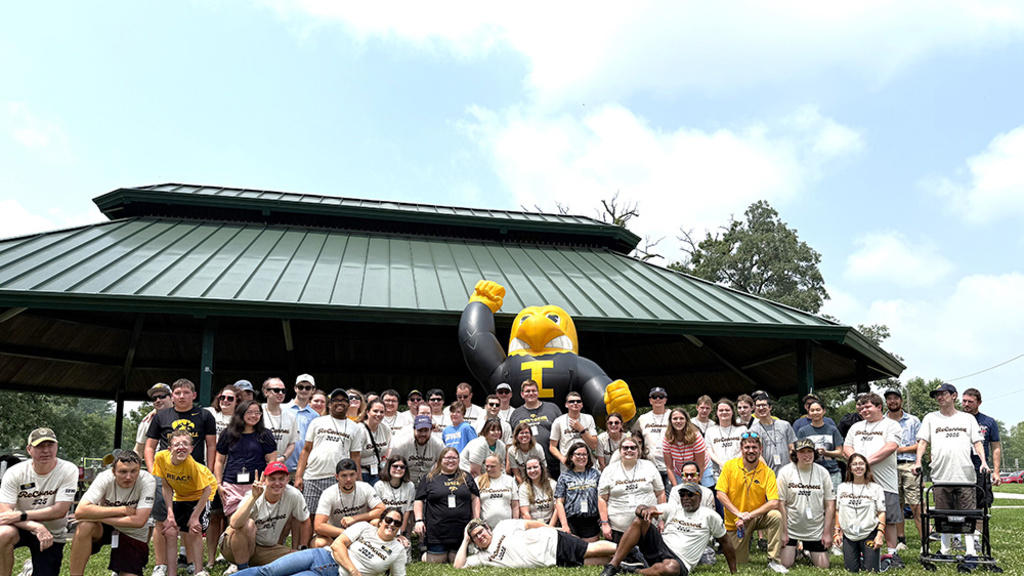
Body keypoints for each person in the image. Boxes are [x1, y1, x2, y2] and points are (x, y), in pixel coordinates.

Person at [145, 378, 217, 576]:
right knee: (163, 521)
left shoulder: (204, 415)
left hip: (194, 478)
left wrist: (208, 471)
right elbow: (150, 446)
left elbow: (211, 445)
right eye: (177, 393)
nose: (182, 396)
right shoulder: (161, 416)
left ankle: (193, 563)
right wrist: (154, 474)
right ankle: (162, 565)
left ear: (194, 395)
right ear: (172, 396)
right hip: (166, 476)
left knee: (190, 523)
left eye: (186, 393)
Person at [598, 483, 737, 576]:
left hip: (680, 561)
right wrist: (645, 510)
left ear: (699, 498)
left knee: (671, 568)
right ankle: (612, 566)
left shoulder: (710, 516)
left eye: (690, 494)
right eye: (682, 494)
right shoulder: (673, 508)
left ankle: (636, 570)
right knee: (639, 521)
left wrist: (734, 572)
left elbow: (726, 542)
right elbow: (644, 509)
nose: (685, 498)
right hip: (661, 547)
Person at [915, 382, 988, 559]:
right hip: (941, 474)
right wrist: (917, 461)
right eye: (936, 395)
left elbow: (977, 442)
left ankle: (970, 550)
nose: (939, 397)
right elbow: (923, 442)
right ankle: (945, 549)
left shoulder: (967, 419)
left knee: (968, 514)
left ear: (954, 396)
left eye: (943, 393)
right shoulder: (931, 418)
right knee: (942, 514)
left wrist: (984, 462)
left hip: (965, 474)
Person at [227, 506, 408, 576]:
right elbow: (337, 545)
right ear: (382, 521)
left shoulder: (397, 551)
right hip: (319, 555)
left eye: (397, 523)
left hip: (331, 574)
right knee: (268, 571)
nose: (391, 525)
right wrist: (354, 572)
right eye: (389, 520)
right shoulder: (364, 528)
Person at [0, 428, 79, 576]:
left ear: (57, 447)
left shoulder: (68, 470)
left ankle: (30, 570)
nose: (46, 451)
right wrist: (36, 526)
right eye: (40, 446)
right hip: (20, 528)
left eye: (50, 445)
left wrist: (19, 515)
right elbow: (5, 513)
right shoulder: (14, 473)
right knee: (3, 533)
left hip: (52, 533)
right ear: (29, 450)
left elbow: (59, 510)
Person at [69, 450, 156, 576]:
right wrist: (123, 510)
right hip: (103, 528)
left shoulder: (147, 480)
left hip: (132, 532)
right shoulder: (105, 478)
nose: (129, 477)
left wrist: (97, 517)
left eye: (134, 471)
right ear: (114, 472)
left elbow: (139, 521)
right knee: (85, 526)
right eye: (123, 472)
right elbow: (81, 510)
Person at [843, 393, 903, 561]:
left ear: (879, 407)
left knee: (889, 518)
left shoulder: (891, 425)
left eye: (868, 406)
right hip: (861, 483)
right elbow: (847, 446)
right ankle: (865, 551)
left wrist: (865, 462)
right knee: (862, 516)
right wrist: (856, 461)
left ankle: (892, 553)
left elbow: (891, 446)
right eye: (861, 408)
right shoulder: (856, 427)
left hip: (885, 482)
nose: (864, 410)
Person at [219, 462, 310, 570]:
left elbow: (305, 520)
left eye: (281, 479)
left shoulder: (294, 495)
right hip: (232, 546)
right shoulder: (253, 494)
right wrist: (253, 497)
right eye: (272, 479)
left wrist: (302, 548)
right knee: (248, 524)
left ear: (287, 479)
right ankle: (243, 570)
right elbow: (234, 523)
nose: (277, 483)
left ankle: (252, 565)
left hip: (265, 549)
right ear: (264, 480)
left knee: (297, 559)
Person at [715, 431, 785, 572]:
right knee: (740, 562)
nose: (751, 451)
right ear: (741, 449)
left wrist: (750, 515)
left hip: (756, 517)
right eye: (747, 448)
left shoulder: (768, 472)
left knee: (776, 516)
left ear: (761, 449)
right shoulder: (729, 466)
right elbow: (720, 494)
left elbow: (773, 502)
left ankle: (774, 560)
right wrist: (739, 514)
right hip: (736, 521)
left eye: (754, 447)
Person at [154, 429, 218, 576]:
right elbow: (166, 486)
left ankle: (198, 570)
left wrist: (195, 517)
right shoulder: (160, 458)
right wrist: (170, 513)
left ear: (191, 449)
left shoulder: (194, 467)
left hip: (202, 494)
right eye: (177, 444)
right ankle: (171, 572)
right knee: (170, 530)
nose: (181, 447)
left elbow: (207, 490)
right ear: (169, 449)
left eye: (185, 444)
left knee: (194, 529)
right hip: (181, 494)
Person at [295, 389, 365, 515]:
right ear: (330, 404)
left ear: (348, 405)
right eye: (336, 400)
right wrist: (299, 476)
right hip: (312, 477)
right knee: (309, 516)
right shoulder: (317, 422)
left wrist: (358, 481)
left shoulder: (354, 427)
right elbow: (306, 450)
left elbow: (355, 456)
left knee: (334, 515)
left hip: (338, 478)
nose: (340, 403)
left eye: (344, 400)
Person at [456, 518, 616, 569]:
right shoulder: (482, 557)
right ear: (473, 541)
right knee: (585, 562)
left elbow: (530, 524)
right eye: (475, 537)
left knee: (590, 549)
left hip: (552, 541)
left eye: (480, 531)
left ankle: (628, 549)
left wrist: (554, 529)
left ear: (487, 528)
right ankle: (623, 562)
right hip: (550, 560)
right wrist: (465, 540)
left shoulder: (502, 526)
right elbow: (458, 567)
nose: (480, 537)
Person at [413, 447, 481, 563]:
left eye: (454, 458)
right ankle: (424, 553)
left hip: (460, 529)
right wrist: (419, 520)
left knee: (455, 560)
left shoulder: (466, 477)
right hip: (437, 530)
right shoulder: (429, 478)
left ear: (459, 460)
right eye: (447, 458)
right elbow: (419, 500)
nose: (451, 461)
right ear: (440, 460)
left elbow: (475, 498)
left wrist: (475, 519)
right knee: (437, 561)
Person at [215, 400, 279, 520]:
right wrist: (218, 484)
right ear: (241, 413)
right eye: (249, 412)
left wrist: (264, 482)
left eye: (257, 413)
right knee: (234, 523)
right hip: (231, 485)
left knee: (254, 523)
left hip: (256, 486)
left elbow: (272, 462)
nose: (254, 416)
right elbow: (219, 461)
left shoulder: (265, 434)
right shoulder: (228, 433)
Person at [777, 439, 835, 569]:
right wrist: (784, 532)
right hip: (792, 528)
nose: (807, 455)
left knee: (823, 566)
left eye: (810, 451)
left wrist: (826, 533)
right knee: (786, 563)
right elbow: (780, 504)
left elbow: (830, 504)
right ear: (795, 454)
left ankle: (806, 550)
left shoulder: (822, 472)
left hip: (815, 529)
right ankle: (796, 549)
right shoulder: (785, 472)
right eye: (802, 452)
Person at [599, 436, 666, 542]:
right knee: (622, 558)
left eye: (633, 448)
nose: (629, 450)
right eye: (625, 448)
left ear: (638, 451)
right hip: (619, 529)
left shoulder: (649, 466)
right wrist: (605, 523)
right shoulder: (609, 470)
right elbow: (602, 498)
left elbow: (660, 493)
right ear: (620, 451)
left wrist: (662, 519)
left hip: (648, 526)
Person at [312, 459, 384, 549]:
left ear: (357, 474)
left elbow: (382, 510)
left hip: (361, 532)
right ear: (337, 477)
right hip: (336, 533)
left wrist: (354, 518)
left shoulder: (365, 487)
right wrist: (348, 533)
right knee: (319, 543)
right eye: (344, 476)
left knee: (376, 522)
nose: (348, 479)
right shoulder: (328, 493)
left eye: (352, 474)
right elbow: (318, 526)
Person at [883, 388, 922, 545]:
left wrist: (900, 449)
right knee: (895, 505)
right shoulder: (882, 421)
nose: (892, 401)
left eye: (895, 398)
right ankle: (900, 539)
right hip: (889, 466)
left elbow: (921, 444)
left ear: (901, 400)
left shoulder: (913, 421)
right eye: (889, 399)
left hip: (909, 464)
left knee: (915, 504)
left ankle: (924, 539)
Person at [835, 453, 885, 573]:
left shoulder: (876, 488)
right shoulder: (842, 487)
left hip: (869, 532)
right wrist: (836, 532)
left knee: (871, 570)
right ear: (850, 468)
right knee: (851, 570)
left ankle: (885, 561)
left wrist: (880, 535)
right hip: (849, 534)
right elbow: (838, 511)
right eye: (855, 464)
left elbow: (881, 512)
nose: (858, 467)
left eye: (861, 464)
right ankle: (862, 558)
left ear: (866, 467)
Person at [509, 379, 563, 475]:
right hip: (528, 467)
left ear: (538, 393)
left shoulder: (552, 408)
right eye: (527, 391)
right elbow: (514, 440)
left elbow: (562, 433)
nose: (531, 393)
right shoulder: (516, 414)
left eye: (533, 391)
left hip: (553, 463)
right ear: (522, 394)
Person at [554, 442, 601, 542]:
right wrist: (564, 525)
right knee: (574, 555)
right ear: (571, 457)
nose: (581, 457)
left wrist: (603, 517)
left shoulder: (595, 474)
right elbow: (559, 502)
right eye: (578, 454)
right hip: (572, 522)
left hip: (591, 521)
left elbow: (602, 497)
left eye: (584, 454)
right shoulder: (564, 477)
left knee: (591, 553)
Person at [797, 399, 845, 492]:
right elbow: (799, 453)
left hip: (832, 472)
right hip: (810, 472)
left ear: (824, 411)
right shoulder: (803, 431)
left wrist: (826, 452)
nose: (815, 413)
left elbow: (840, 452)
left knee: (833, 501)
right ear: (808, 412)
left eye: (818, 410)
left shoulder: (832, 430)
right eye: (812, 410)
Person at [961, 388, 1001, 496]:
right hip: (959, 467)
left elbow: (996, 448)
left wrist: (996, 472)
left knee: (981, 502)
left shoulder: (988, 421)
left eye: (970, 402)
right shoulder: (955, 419)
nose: (966, 404)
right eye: (964, 401)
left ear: (979, 403)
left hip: (979, 467)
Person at [387, 416, 445, 484]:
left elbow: (445, 466)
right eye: (420, 430)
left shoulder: (438, 444)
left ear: (431, 430)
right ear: (414, 429)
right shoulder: (402, 444)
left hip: (428, 482)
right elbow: (390, 466)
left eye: (426, 430)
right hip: (404, 482)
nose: (423, 434)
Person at [549, 391, 599, 472]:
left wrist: (581, 430)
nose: (575, 403)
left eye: (578, 401)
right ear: (566, 405)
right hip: (568, 464)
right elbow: (552, 447)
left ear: (582, 405)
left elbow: (594, 445)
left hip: (586, 462)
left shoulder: (589, 418)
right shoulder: (558, 421)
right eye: (571, 401)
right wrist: (563, 459)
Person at [662, 407, 711, 488]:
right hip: (680, 471)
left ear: (686, 421)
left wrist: (696, 484)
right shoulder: (667, 438)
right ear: (670, 421)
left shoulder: (696, 436)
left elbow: (700, 465)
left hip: (701, 469)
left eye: (681, 418)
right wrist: (675, 487)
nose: (678, 421)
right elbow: (669, 467)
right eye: (675, 419)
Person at [748, 394, 796, 475]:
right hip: (766, 473)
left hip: (787, 472)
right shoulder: (753, 430)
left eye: (763, 405)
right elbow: (757, 453)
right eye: (758, 406)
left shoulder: (785, 425)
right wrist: (767, 471)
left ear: (770, 407)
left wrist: (792, 466)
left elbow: (792, 446)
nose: (761, 408)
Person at [705, 399, 747, 486]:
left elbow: (745, 447)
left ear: (732, 412)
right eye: (721, 410)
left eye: (727, 410)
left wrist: (730, 464)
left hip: (739, 470)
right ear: (716, 413)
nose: (724, 412)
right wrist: (721, 464)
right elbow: (708, 450)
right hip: (718, 473)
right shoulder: (710, 431)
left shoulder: (742, 429)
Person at [634, 387, 671, 486]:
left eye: (661, 396)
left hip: (671, 465)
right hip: (650, 465)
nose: (658, 399)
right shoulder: (643, 418)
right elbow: (632, 436)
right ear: (650, 401)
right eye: (654, 397)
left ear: (665, 400)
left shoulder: (673, 416)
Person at [285, 374, 320, 472]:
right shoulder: (283, 410)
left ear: (313, 390)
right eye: (300, 387)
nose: (304, 390)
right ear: (295, 388)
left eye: (307, 388)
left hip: (304, 468)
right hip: (282, 465)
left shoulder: (316, 416)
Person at [261, 378, 298, 467]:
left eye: (283, 390)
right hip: (259, 462)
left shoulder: (291, 416)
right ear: (266, 392)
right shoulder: (258, 412)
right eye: (276, 390)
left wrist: (283, 458)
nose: (281, 393)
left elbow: (292, 443)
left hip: (280, 465)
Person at [476, 455, 519, 530]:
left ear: (501, 466)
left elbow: (515, 505)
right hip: (486, 528)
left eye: (493, 466)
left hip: (507, 526)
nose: (489, 469)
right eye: (487, 466)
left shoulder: (510, 480)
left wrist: (515, 524)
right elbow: (476, 505)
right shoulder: (478, 481)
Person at [374, 456, 416, 533]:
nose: (399, 469)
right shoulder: (379, 485)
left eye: (402, 467)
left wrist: (402, 532)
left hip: (401, 525)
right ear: (388, 467)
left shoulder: (410, 486)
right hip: (384, 526)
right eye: (395, 466)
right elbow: (378, 511)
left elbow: (407, 511)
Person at [133, 383, 172, 455]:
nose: (158, 400)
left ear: (172, 397)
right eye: (154, 398)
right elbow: (138, 450)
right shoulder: (147, 421)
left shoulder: (183, 416)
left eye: (162, 396)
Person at [358, 399, 391, 484]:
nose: (379, 414)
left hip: (377, 472)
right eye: (375, 411)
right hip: (362, 472)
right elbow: (355, 457)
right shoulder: (360, 430)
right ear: (367, 412)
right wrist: (359, 479)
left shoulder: (385, 429)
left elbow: (387, 450)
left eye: (382, 412)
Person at [519, 457, 558, 526]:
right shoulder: (523, 488)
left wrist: (550, 527)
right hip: (532, 525)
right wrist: (535, 530)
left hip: (550, 524)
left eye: (535, 467)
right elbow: (525, 513)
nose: (532, 470)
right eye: (529, 468)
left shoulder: (553, 484)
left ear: (542, 468)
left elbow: (556, 509)